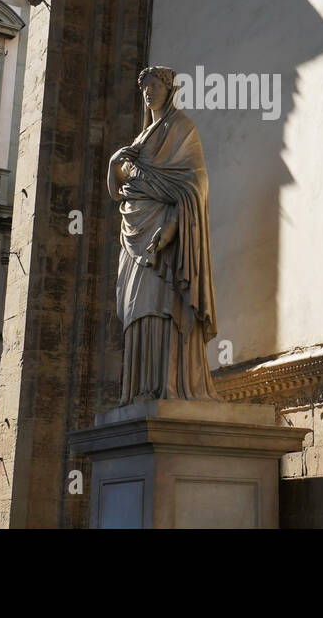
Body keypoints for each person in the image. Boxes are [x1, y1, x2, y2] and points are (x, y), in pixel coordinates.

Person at [107, 66, 218, 402]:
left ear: (169, 90)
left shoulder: (182, 128)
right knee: (134, 310)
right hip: (133, 235)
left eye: (155, 87)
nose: (148, 93)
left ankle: (167, 384)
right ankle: (139, 388)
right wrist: (114, 164)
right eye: (144, 89)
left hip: (164, 239)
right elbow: (119, 191)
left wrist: (170, 230)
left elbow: (193, 186)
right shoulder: (140, 141)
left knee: (161, 306)